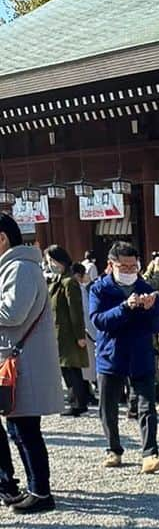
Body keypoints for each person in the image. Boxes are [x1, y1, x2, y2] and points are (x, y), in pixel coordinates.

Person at [0, 213, 63, 513]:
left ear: (2, 238)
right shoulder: (17, 266)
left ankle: (41, 492)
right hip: (20, 361)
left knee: (26, 430)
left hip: (25, 364)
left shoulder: (20, 268)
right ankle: (35, 488)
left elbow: (13, 313)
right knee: (19, 428)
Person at [89, 241, 159, 474]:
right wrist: (125, 307)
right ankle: (113, 449)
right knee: (108, 407)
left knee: (147, 406)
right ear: (111, 265)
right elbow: (98, 321)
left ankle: (150, 453)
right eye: (123, 267)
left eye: (133, 266)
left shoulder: (145, 287)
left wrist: (149, 309)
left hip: (141, 354)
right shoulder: (100, 288)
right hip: (110, 355)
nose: (129, 271)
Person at [43, 245, 90, 417]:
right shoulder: (58, 279)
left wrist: (79, 335)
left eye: (50, 260)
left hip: (69, 333)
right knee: (67, 369)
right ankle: (78, 401)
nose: (49, 264)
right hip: (59, 332)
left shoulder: (69, 282)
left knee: (71, 369)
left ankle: (77, 402)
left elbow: (75, 310)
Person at [71, 262, 98, 401]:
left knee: (85, 366)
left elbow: (85, 313)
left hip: (82, 331)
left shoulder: (79, 289)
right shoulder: (78, 288)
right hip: (83, 331)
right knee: (84, 366)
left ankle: (85, 394)